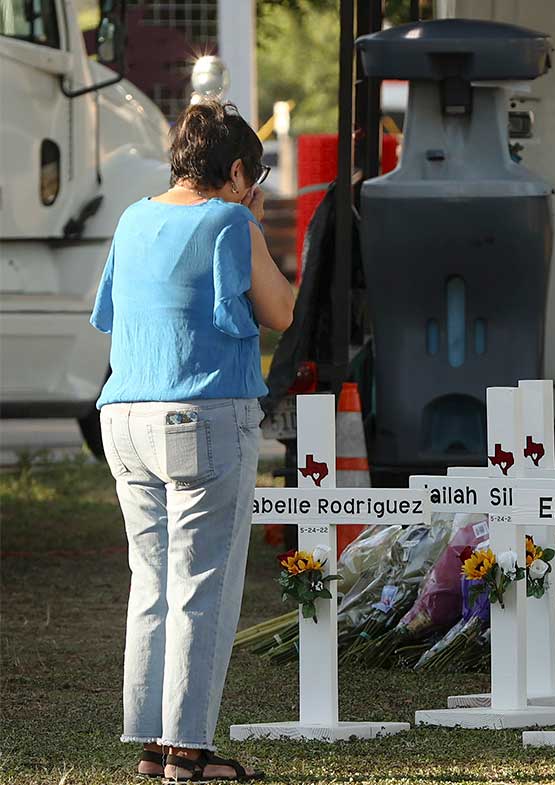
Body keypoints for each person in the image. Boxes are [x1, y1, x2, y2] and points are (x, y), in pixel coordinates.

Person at [90, 100, 294, 783]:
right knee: (202, 585)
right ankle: (188, 752)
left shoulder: (133, 216)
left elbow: (108, 315)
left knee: (150, 583)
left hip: (124, 416)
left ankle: (151, 742)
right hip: (201, 413)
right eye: (255, 174)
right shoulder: (232, 220)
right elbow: (282, 312)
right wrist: (256, 227)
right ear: (237, 171)